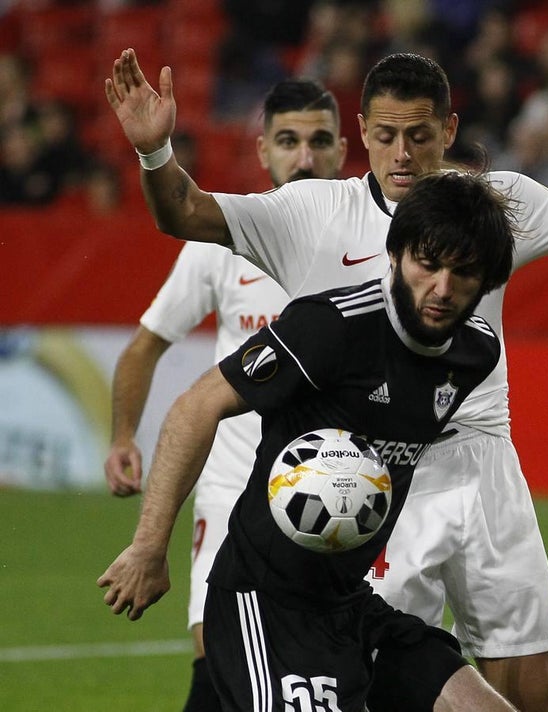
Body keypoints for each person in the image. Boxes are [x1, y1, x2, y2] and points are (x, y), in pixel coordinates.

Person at [104, 47, 548, 712]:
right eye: (386, 136)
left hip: (480, 455)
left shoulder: (496, 208)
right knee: (374, 685)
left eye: (419, 137)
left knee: (536, 691)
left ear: (447, 133)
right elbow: (185, 215)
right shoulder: (309, 214)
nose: (401, 154)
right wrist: (156, 155)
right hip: (366, 473)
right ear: (361, 131)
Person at [98, 169, 520, 712]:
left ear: (486, 281)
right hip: (263, 604)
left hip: (352, 603)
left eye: (463, 272)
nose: (442, 288)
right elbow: (194, 407)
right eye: (427, 264)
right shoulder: (331, 326)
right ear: (395, 255)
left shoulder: (474, 353)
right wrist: (149, 547)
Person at [102, 78, 347, 712]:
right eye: (288, 141)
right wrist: (123, 435)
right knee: (220, 664)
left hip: (339, 490)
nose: (305, 157)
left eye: (319, 141)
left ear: (343, 150)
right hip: (233, 482)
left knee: (336, 673)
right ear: (262, 150)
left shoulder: (367, 241)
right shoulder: (227, 239)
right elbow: (144, 346)